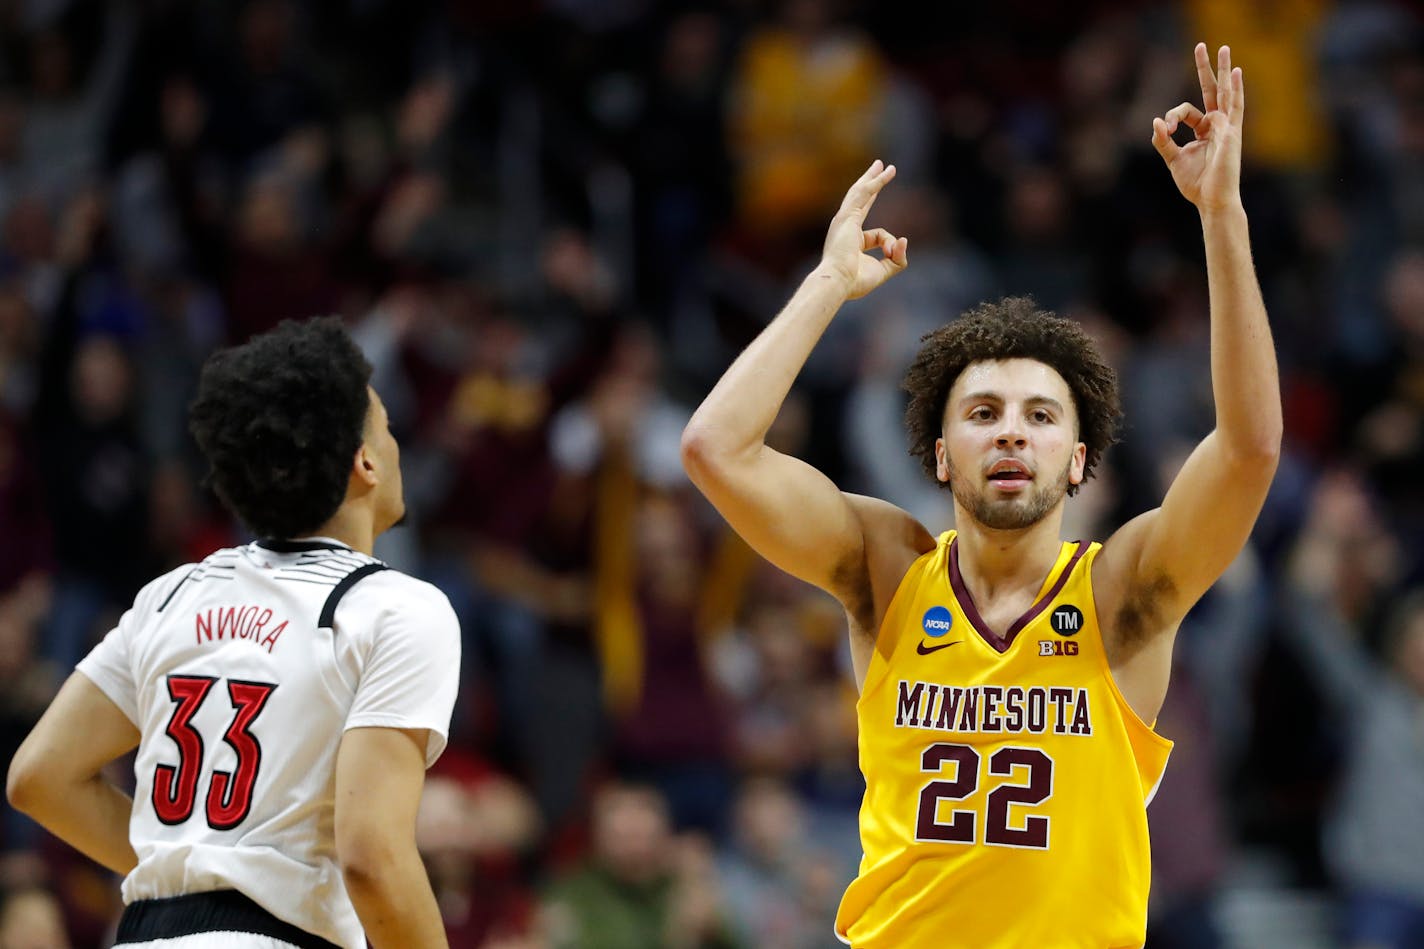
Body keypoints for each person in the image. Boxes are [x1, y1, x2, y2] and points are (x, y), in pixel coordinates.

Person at [680, 44, 1280, 948]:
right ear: (938, 457)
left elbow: (1248, 451)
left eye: (1041, 416)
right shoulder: (887, 569)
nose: (1010, 432)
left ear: (1079, 460)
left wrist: (1223, 217)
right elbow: (715, 449)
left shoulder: (1122, 594)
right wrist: (828, 284)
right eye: (984, 413)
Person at [6, 317, 460, 949]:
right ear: (365, 462)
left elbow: (39, 778)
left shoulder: (172, 593)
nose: (396, 444)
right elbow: (371, 858)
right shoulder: (396, 608)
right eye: (385, 427)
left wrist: (202, 872)